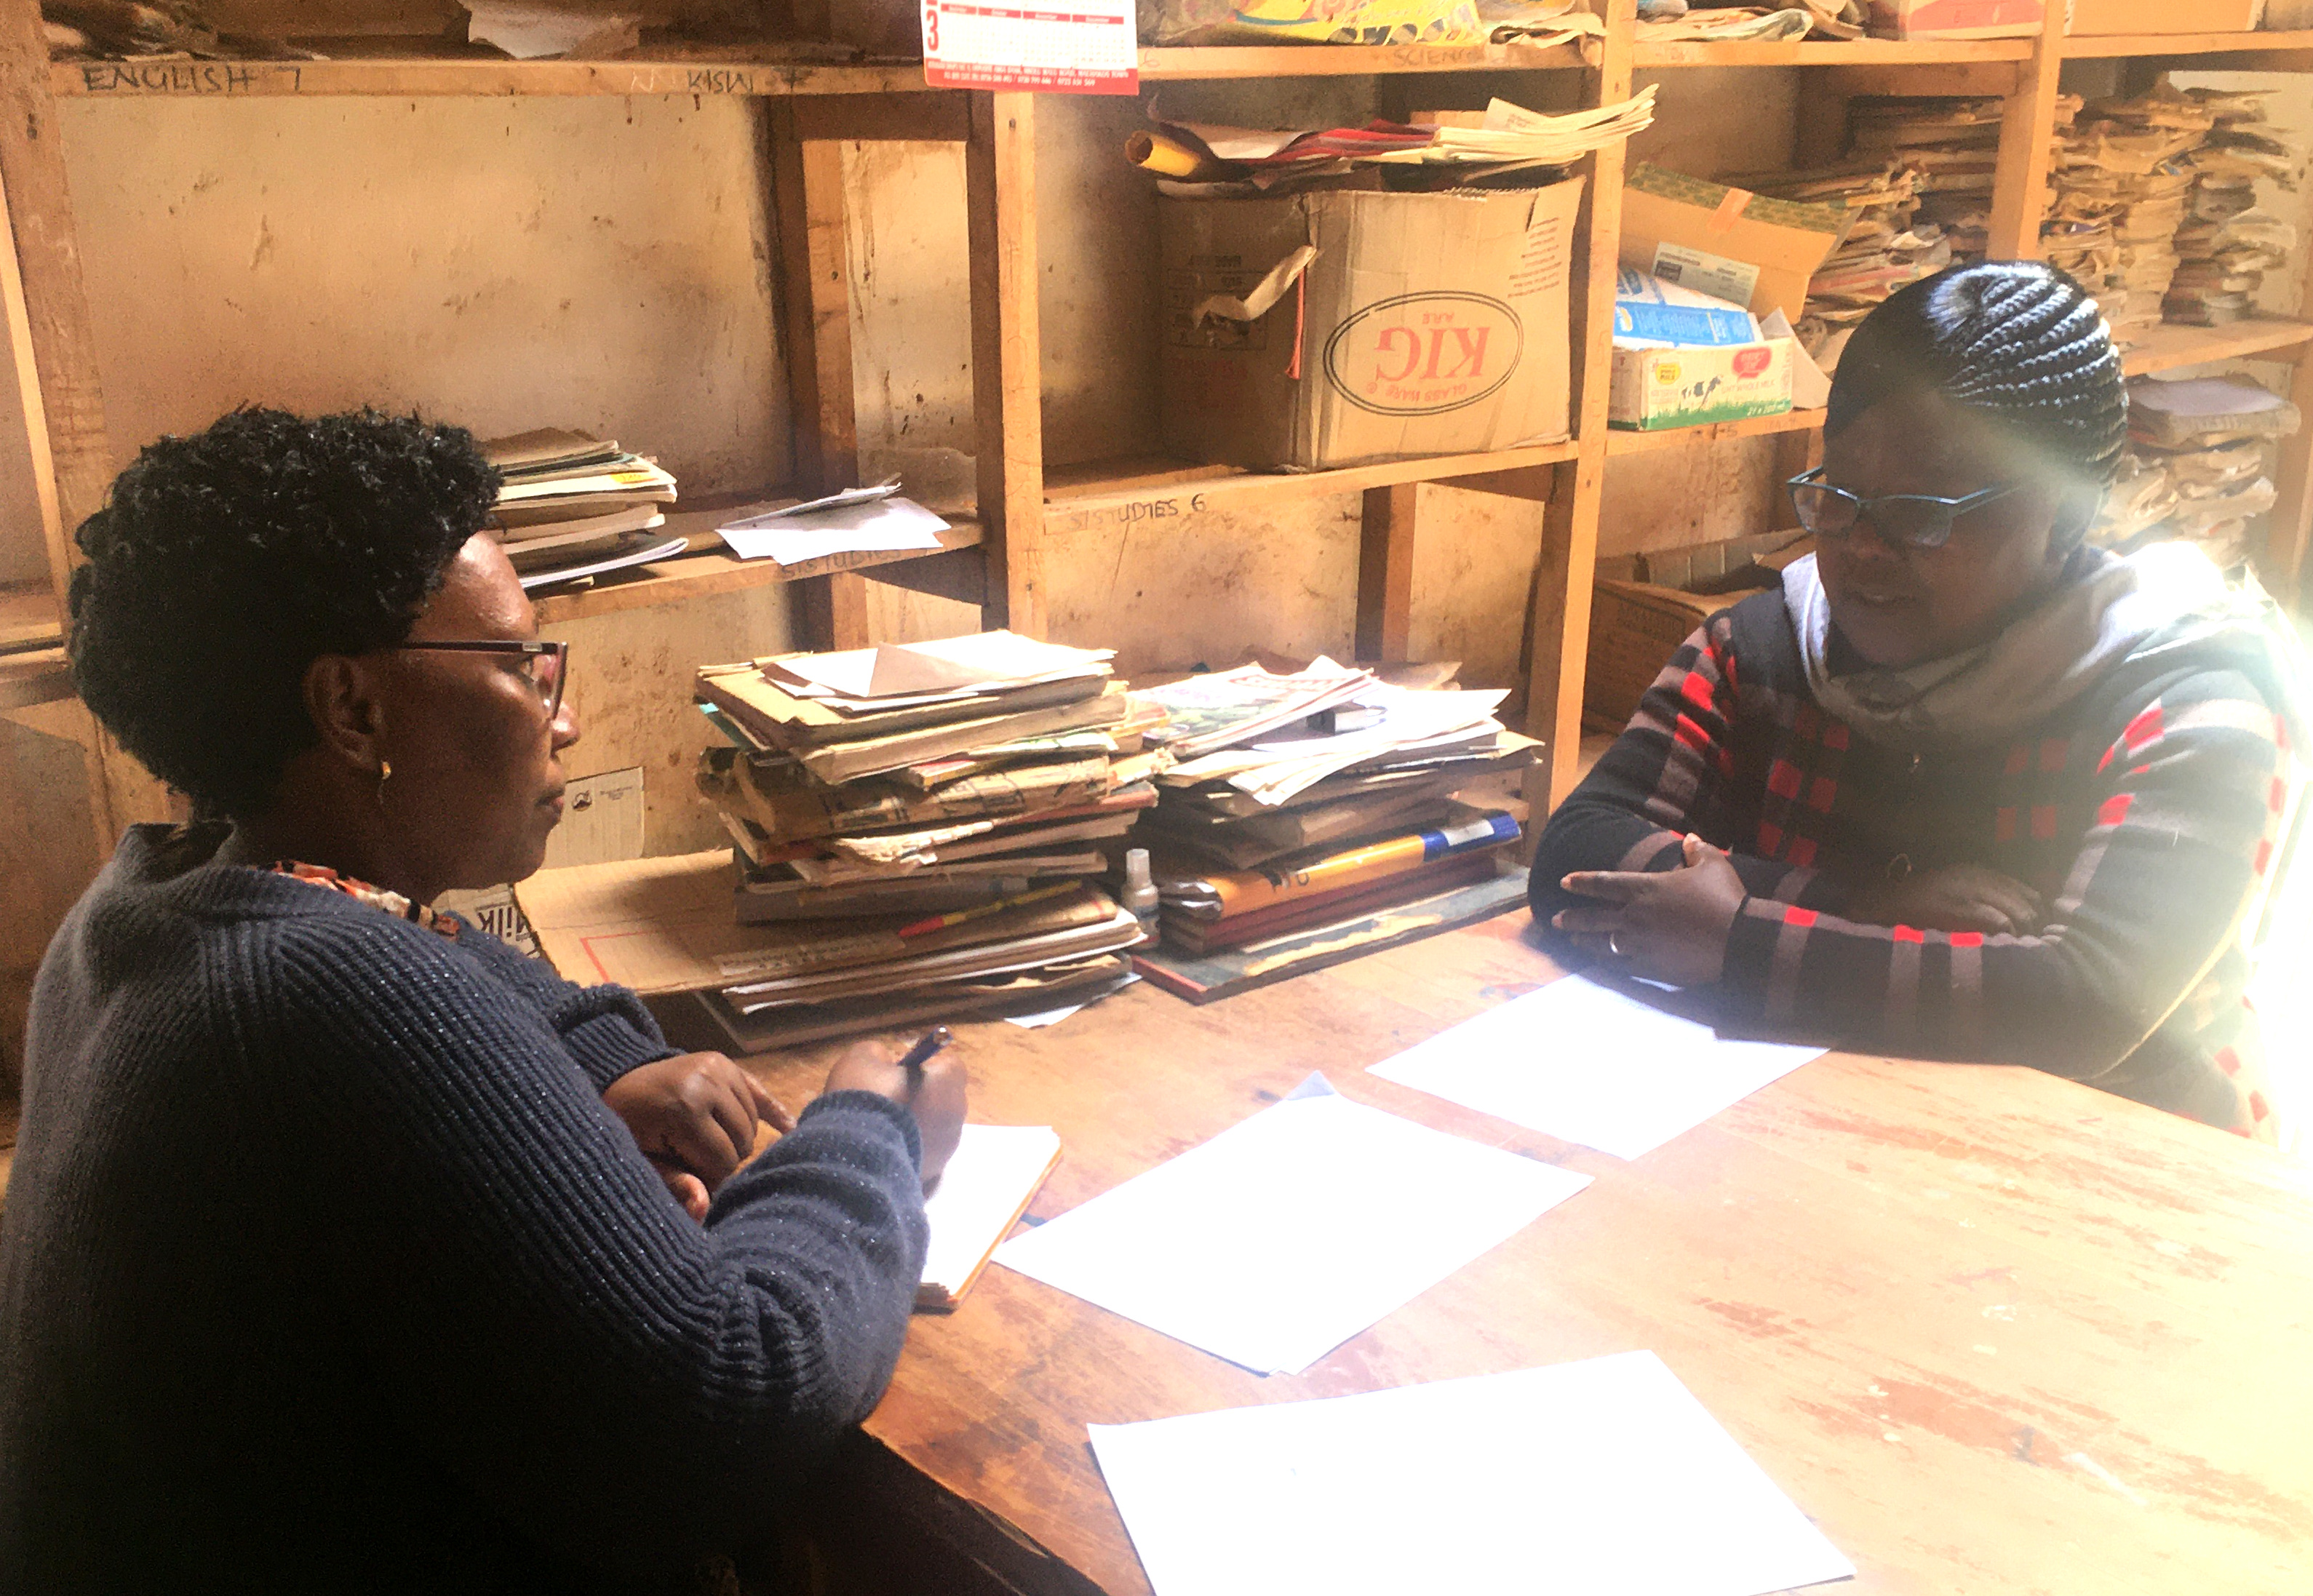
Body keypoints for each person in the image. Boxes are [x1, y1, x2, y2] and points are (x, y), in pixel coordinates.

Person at [0, 407, 967, 1593]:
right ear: (353, 709)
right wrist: (869, 1133)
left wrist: (608, 1071)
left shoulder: (144, 905)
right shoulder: (330, 997)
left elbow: (446, 956)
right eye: (518, 665)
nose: (562, 715)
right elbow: (729, 1404)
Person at [1534, 261, 2308, 1144]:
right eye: (1837, 499)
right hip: (1805, 1129)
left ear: (2064, 517)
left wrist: (1736, 938)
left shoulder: (2192, 700)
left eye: (1921, 511)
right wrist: (1868, 905)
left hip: (2115, 1154)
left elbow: (2088, 1003)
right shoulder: (1762, 647)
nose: (1862, 548)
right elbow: (1577, 851)